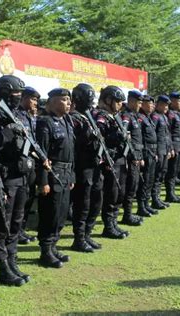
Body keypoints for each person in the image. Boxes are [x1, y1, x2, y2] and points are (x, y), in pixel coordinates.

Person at [0, 74, 32, 286]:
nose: (18, 97)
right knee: (2, 225)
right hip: (5, 178)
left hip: (21, 176)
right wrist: (6, 131)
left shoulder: (19, 115)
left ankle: (12, 261)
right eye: (15, 94)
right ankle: (3, 267)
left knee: (16, 223)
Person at [36, 88, 75, 268]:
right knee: (50, 213)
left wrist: (72, 175)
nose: (68, 103)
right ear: (52, 102)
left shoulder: (66, 121)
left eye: (69, 100)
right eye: (64, 100)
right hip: (53, 173)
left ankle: (53, 246)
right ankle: (45, 251)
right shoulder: (45, 122)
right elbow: (41, 154)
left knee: (61, 213)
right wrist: (43, 181)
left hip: (66, 173)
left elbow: (71, 152)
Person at [69, 83, 104, 252]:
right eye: (88, 98)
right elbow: (75, 143)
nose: (91, 102)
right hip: (82, 166)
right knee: (82, 204)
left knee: (96, 201)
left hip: (94, 164)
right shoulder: (74, 118)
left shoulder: (89, 116)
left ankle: (87, 234)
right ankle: (79, 238)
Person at [92, 86, 129, 239]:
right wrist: (118, 136)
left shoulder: (115, 116)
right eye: (118, 101)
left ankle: (113, 223)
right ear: (108, 100)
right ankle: (108, 225)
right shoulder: (99, 116)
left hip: (119, 158)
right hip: (109, 160)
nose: (120, 104)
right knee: (111, 194)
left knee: (119, 193)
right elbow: (100, 138)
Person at [18, 87, 40, 245]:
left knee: (29, 197)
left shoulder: (28, 117)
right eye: (32, 99)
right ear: (23, 98)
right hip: (20, 164)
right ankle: (16, 230)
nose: (35, 102)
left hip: (31, 163)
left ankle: (21, 229)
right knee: (21, 199)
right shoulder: (17, 115)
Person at [119, 90, 145, 226]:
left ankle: (128, 214)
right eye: (139, 102)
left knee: (134, 186)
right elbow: (124, 137)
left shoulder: (135, 116)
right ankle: (127, 215)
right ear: (132, 101)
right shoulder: (126, 116)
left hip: (137, 155)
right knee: (130, 187)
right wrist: (132, 156)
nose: (140, 105)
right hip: (130, 158)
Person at [137, 95, 159, 216]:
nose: (152, 106)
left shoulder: (148, 118)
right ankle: (141, 206)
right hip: (145, 153)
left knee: (150, 180)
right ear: (143, 104)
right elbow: (140, 139)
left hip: (151, 152)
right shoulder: (140, 118)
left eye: (152, 104)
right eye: (149, 103)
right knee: (144, 181)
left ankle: (146, 204)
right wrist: (141, 156)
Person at [150, 95, 172, 209]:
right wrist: (156, 152)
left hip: (165, 150)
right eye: (164, 105)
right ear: (158, 105)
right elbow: (154, 135)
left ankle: (157, 198)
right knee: (156, 176)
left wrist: (169, 149)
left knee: (162, 174)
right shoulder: (155, 117)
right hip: (158, 150)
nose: (166, 107)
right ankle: (154, 199)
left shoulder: (164, 117)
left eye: (167, 105)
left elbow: (167, 135)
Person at [165, 92, 180, 203]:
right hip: (173, 146)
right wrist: (170, 148)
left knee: (175, 171)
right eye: (179, 101)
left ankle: (172, 193)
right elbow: (168, 133)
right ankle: (169, 194)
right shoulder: (170, 115)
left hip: (179, 145)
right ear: (172, 102)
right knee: (171, 171)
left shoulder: (177, 114)